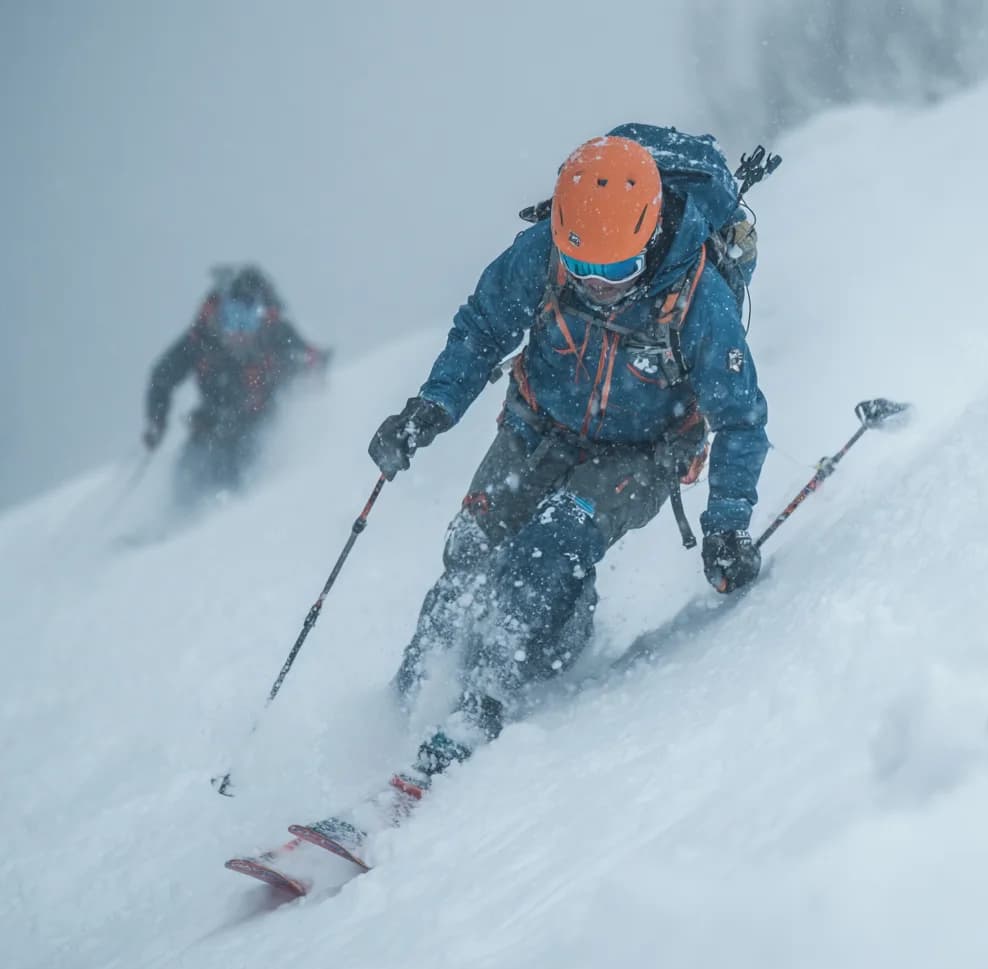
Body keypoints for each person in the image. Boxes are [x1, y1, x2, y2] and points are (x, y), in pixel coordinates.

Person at [369, 124, 769, 789]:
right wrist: (432, 407)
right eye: (584, 268)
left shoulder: (699, 298)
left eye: (616, 270)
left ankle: (482, 702)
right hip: (537, 425)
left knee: (554, 540)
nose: (599, 285)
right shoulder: (544, 253)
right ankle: (406, 702)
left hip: (641, 453)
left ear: (647, 237)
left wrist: (727, 521)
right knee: (471, 546)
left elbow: (740, 417)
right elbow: (482, 328)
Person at [143, 265, 330, 502]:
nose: (239, 331)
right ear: (220, 313)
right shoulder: (202, 339)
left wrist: (313, 370)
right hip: (209, 428)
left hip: (258, 427)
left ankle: (238, 518)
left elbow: (309, 359)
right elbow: (162, 377)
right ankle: (174, 526)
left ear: (262, 317)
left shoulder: (276, 334)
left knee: (243, 465)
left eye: (248, 318)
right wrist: (156, 421)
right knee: (189, 470)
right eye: (232, 317)